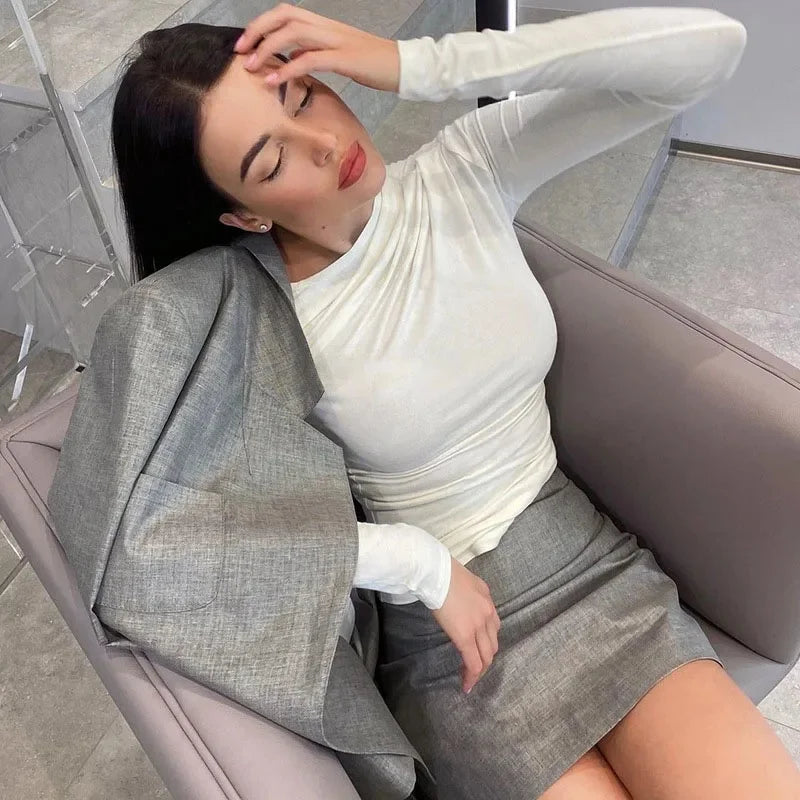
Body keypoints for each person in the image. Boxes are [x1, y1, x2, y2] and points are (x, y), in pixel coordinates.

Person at [109, 4, 800, 798]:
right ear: (244, 212)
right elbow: (158, 543)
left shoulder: (465, 169)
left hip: (597, 573)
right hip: (455, 651)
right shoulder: (256, 314)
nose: (325, 143)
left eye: (303, 96)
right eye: (272, 162)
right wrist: (414, 563)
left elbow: (711, 50)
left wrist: (420, 65)